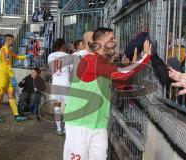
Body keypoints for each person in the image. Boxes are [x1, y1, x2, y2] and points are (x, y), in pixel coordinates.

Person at [63, 27, 151, 160]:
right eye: (111, 39)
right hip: (79, 125)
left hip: (99, 125)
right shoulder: (90, 60)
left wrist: (132, 66)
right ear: (99, 42)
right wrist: (145, 58)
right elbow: (121, 75)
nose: (115, 42)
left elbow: (120, 84)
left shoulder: (103, 63)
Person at [0, 34, 33, 122]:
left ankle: (16, 115)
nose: (13, 42)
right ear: (8, 40)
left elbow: (16, 56)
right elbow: (7, 65)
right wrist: (12, 77)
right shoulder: (4, 50)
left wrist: (26, 56)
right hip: (2, 77)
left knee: (11, 95)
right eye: (12, 40)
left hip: (8, 76)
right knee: (0, 96)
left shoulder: (9, 50)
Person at [48, 38, 73, 135]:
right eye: (65, 44)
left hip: (55, 83)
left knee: (57, 106)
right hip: (66, 83)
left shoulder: (50, 56)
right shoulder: (69, 56)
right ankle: (66, 129)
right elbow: (72, 71)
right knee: (68, 106)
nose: (66, 46)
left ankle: (58, 128)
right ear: (62, 45)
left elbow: (51, 69)